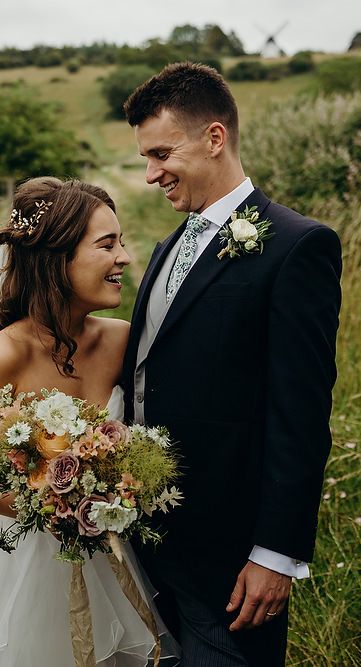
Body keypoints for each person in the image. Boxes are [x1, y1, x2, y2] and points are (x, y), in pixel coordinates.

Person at [120, 62, 343, 666]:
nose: (150, 175)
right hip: (146, 542)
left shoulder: (298, 247)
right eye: (145, 157)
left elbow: (300, 412)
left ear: (214, 138)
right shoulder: (170, 245)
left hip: (231, 561)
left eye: (162, 153)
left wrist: (275, 553)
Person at [0, 177, 178, 666]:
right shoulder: (4, 354)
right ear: (58, 259)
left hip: (116, 557)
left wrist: (118, 494)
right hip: (19, 568)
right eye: (107, 244)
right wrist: (57, 511)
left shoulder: (122, 342)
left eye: (121, 241)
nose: (125, 257)